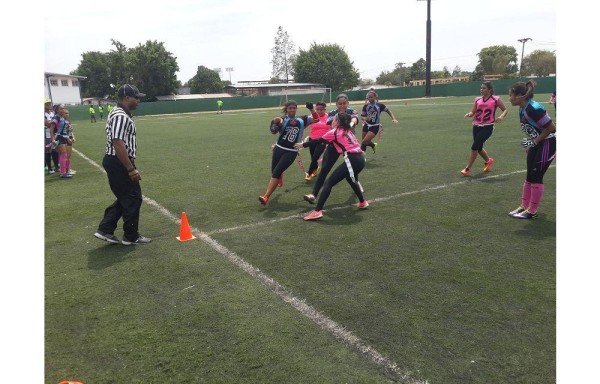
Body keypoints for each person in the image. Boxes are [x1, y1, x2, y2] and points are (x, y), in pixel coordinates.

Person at [94, 84, 152, 245]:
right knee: (133, 197)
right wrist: (130, 168)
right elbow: (118, 143)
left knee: (126, 197)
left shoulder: (119, 112)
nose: (139, 100)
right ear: (127, 98)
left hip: (117, 160)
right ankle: (131, 236)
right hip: (118, 161)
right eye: (136, 97)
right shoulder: (120, 116)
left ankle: (105, 228)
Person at [296, 112, 368, 221]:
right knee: (349, 178)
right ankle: (363, 202)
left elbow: (319, 141)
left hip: (352, 159)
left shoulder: (334, 132)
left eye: (334, 119)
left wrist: (303, 145)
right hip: (361, 159)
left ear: (338, 122)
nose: (332, 121)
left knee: (329, 183)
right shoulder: (348, 130)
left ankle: (317, 211)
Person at [507, 80, 556, 219]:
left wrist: (534, 142)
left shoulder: (533, 108)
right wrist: (529, 145)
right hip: (536, 143)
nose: (509, 98)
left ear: (520, 96)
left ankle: (532, 210)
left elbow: (551, 128)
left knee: (536, 176)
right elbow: (531, 129)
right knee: (529, 175)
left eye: (511, 95)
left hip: (548, 143)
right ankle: (523, 206)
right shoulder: (521, 108)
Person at [258, 100, 319, 205]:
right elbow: (273, 131)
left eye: (294, 108)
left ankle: (266, 196)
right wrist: (274, 123)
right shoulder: (282, 120)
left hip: (291, 151)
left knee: (276, 172)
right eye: (290, 108)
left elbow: (317, 119)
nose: (292, 110)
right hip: (279, 148)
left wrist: (311, 109)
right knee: (274, 172)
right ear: (286, 109)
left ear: (296, 109)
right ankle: (279, 176)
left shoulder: (302, 119)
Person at [303, 94, 359, 204]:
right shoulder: (333, 113)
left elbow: (355, 119)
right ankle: (314, 194)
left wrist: (351, 124)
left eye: (344, 103)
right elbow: (330, 123)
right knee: (325, 168)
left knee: (352, 167)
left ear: (347, 103)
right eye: (340, 103)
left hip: (348, 145)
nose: (342, 105)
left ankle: (357, 185)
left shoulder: (352, 111)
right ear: (336, 104)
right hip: (335, 143)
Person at [460, 81, 508, 176]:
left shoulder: (496, 99)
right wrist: (470, 114)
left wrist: (501, 116)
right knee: (479, 147)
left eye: (483, 88)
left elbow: (505, 109)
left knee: (474, 147)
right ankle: (488, 160)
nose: (481, 90)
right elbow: (473, 112)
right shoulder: (477, 99)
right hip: (476, 126)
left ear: (489, 90)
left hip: (487, 127)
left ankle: (467, 169)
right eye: (481, 88)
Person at [303, 101, 329, 181]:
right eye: (317, 109)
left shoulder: (329, 117)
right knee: (313, 157)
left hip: (322, 140)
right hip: (312, 140)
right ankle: (315, 168)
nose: (319, 111)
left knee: (315, 157)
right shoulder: (312, 117)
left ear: (325, 109)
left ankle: (309, 173)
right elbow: (303, 126)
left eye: (321, 109)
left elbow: (333, 127)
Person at [50, 104, 73, 179]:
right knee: (63, 154)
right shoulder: (56, 117)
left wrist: (68, 138)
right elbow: (51, 129)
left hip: (63, 137)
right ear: (57, 110)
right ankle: (63, 173)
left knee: (65, 155)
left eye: (63, 108)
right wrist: (53, 139)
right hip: (58, 137)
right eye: (61, 109)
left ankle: (65, 171)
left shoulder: (62, 118)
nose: (63, 110)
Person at [44, 100, 57, 174]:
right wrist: (54, 123)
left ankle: (56, 166)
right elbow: (47, 123)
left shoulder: (52, 113)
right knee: (48, 151)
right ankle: (49, 168)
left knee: (55, 151)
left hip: (53, 134)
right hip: (46, 135)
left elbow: (51, 123)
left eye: (50, 103)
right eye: (47, 104)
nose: (49, 105)